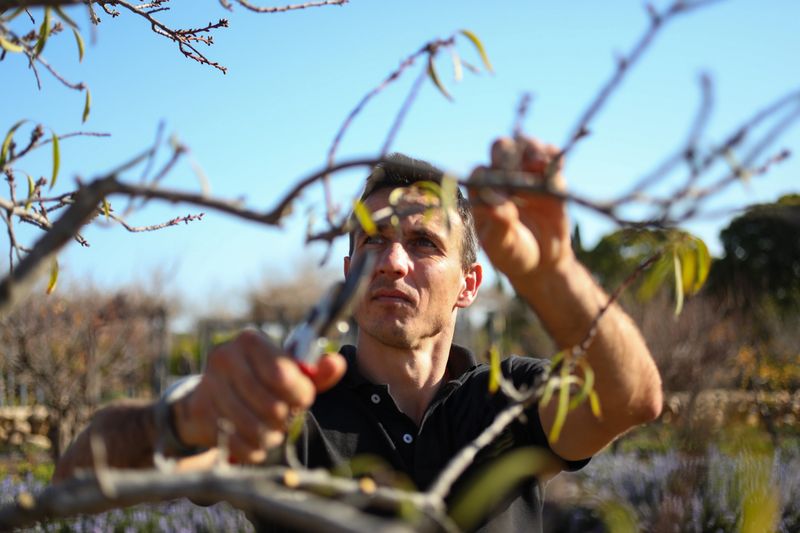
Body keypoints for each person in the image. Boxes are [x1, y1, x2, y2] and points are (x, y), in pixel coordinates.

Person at [54, 136, 663, 532]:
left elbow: (630, 399)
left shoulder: (508, 400)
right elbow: (80, 478)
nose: (391, 262)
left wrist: (550, 270)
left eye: (424, 243)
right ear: (348, 272)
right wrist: (179, 420)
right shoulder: (294, 411)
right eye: (373, 241)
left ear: (469, 283)